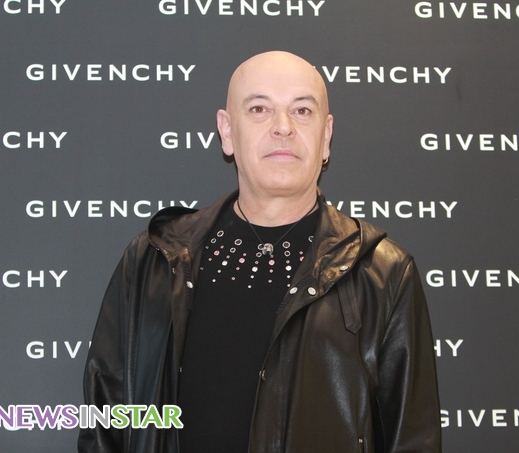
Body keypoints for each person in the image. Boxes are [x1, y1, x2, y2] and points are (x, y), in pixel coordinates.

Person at [78, 51, 441, 453]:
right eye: (259, 109)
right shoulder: (153, 260)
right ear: (227, 131)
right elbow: (104, 424)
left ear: (326, 136)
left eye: (302, 110)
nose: (283, 127)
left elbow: (413, 440)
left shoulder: (382, 273)